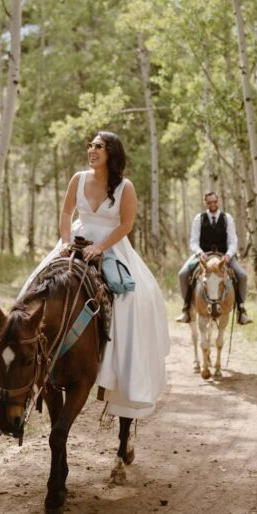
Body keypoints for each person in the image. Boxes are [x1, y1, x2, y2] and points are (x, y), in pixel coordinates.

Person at [25, 131, 170, 420]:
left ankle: (123, 375)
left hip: (111, 246)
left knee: (132, 298)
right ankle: (21, 362)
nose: (92, 150)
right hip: (75, 241)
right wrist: (66, 243)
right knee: (33, 286)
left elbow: (126, 224)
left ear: (111, 153)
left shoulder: (125, 187)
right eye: (90, 145)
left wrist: (101, 247)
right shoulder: (77, 179)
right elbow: (66, 214)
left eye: (98, 146)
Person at [176, 190, 252, 325]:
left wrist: (228, 255)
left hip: (223, 256)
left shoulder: (226, 218)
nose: (212, 204)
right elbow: (193, 241)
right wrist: (200, 252)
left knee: (242, 275)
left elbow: (233, 241)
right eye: (209, 202)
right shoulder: (199, 218)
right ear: (205, 203)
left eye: (215, 202)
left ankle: (241, 310)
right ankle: (186, 309)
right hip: (203, 256)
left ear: (218, 202)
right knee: (182, 274)